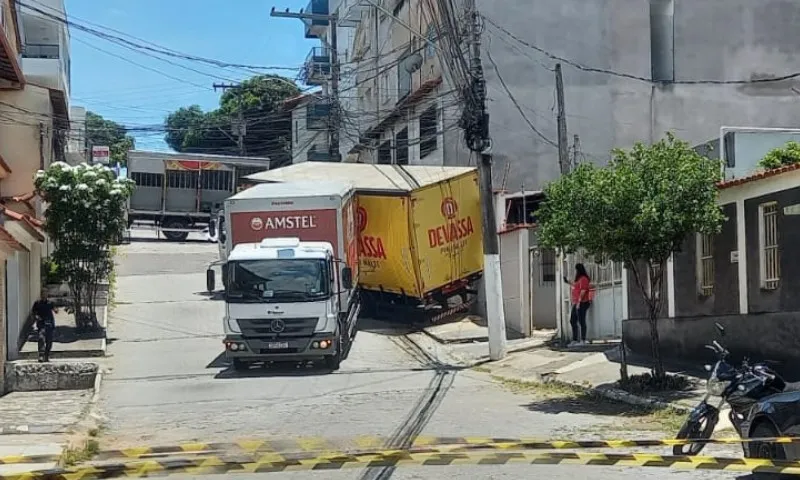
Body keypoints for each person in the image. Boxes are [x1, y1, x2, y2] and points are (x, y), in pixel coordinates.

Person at [563, 263, 592, 346]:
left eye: (576, 270)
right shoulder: (579, 279)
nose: (575, 271)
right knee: (573, 320)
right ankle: (575, 339)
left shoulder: (584, 279)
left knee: (581, 321)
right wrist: (568, 282)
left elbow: (583, 291)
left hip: (582, 302)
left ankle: (583, 340)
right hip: (576, 303)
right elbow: (575, 286)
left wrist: (579, 302)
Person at [31, 291, 58, 362]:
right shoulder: (37, 303)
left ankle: (47, 355)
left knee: (49, 341)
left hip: (49, 324)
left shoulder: (50, 303)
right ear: (41, 295)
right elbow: (33, 312)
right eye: (43, 295)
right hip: (41, 323)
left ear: (47, 295)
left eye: (45, 295)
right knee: (41, 338)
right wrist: (36, 317)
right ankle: (41, 355)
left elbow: (55, 308)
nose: (44, 296)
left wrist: (55, 310)